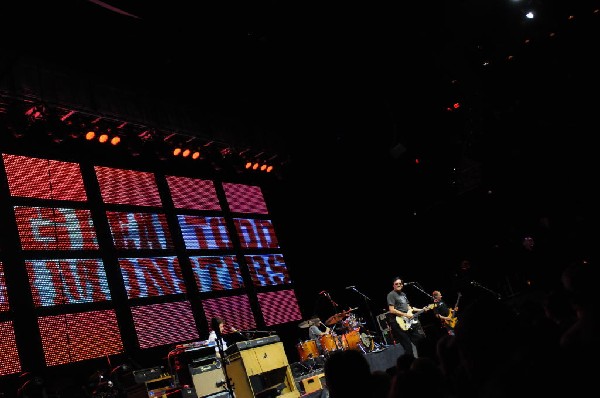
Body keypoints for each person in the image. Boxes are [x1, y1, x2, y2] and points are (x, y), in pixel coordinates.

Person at [386, 277, 428, 357]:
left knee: (418, 341)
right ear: (393, 285)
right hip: (397, 322)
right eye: (396, 284)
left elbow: (409, 308)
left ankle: (422, 359)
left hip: (407, 321)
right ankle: (409, 365)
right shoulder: (391, 295)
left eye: (400, 283)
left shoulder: (403, 294)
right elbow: (391, 310)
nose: (398, 285)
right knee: (407, 346)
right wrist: (405, 315)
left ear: (402, 285)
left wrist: (422, 309)